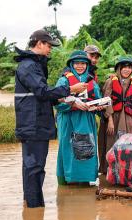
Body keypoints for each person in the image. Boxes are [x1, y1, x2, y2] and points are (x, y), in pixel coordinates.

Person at [14, 29, 87, 208]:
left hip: (32, 123)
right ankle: (35, 208)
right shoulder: (29, 65)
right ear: (39, 43)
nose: (50, 49)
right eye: (48, 45)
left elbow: (40, 94)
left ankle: (30, 210)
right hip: (33, 124)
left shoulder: (32, 64)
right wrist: (71, 89)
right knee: (35, 167)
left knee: (30, 166)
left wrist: (61, 98)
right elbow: (42, 91)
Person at [55, 50, 104, 184]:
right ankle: (65, 180)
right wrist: (74, 105)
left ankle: (84, 181)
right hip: (68, 121)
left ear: (87, 65)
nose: (80, 66)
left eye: (83, 63)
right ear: (71, 64)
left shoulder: (92, 82)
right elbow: (56, 102)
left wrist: (98, 106)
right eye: (76, 63)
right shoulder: (63, 80)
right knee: (67, 148)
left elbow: (98, 99)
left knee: (87, 148)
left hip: (87, 121)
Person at [98, 57, 132, 174]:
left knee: (126, 145)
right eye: (124, 67)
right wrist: (110, 120)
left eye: (129, 67)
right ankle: (109, 171)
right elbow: (106, 101)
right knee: (111, 143)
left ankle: (124, 172)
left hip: (128, 120)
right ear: (119, 68)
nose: (127, 70)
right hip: (113, 118)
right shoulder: (110, 81)